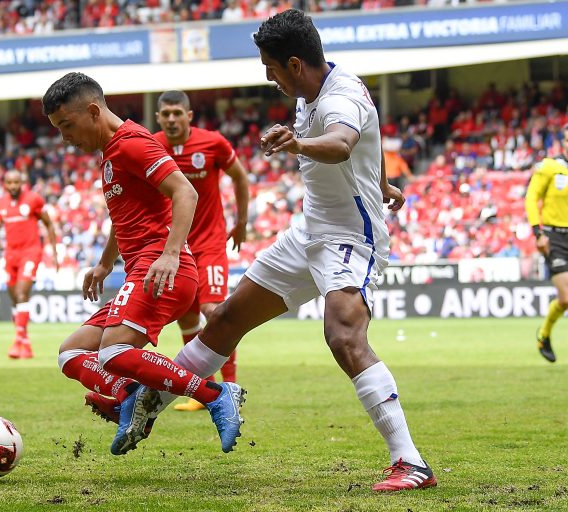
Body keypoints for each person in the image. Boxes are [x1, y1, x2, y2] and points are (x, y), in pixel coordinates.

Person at [119, 9, 437, 492]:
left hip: (350, 237)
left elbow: (343, 143)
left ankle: (410, 462)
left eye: (269, 66)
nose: (267, 76)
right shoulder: (311, 93)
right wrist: (384, 183)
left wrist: (299, 145)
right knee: (224, 320)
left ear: (293, 62)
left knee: (344, 336)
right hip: (308, 232)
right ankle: (147, 405)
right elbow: (364, 147)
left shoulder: (342, 96)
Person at [42, 72, 246, 456]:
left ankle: (217, 394)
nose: (64, 138)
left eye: (67, 126)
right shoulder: (111, 152)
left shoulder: (133, 145)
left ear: (92, 110)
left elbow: (184, 191)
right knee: (70, 354)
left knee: (114, 353)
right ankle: (129, 398)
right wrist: (104, 265)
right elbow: (125, 218)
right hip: (142, 268)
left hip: (163, 266)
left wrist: (170, 253)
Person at [155, 90, 250, 411]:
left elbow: (240, 177)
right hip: (176, 246)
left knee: (214, 309)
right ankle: (202, 390)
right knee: (187, 317)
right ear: (158, 118)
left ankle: (232, 386)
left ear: (189, 116)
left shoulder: (213, 143)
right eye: (165, 114)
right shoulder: (152, 146)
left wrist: (242, 222)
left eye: (176, 113)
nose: (171, 119)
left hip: (209, 241)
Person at [0, 169, 60, 359]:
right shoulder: (1, 204)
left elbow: (49, 223)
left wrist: (54, 252)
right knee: (14, 299)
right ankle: (25, 343)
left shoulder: (33, 199)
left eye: (16, 183)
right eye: (9, 183)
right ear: (4, 184)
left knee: (21, 293)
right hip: (10, 255)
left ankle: (17, 342)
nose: (12, 186)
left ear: (22, 183)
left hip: (30, 252)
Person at [526, 124, 568, 363]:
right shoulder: (550, 167)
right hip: (556, 238)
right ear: (564, 142)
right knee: (566, 298)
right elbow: (532, 198)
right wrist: (537, 232)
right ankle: (544, 334)